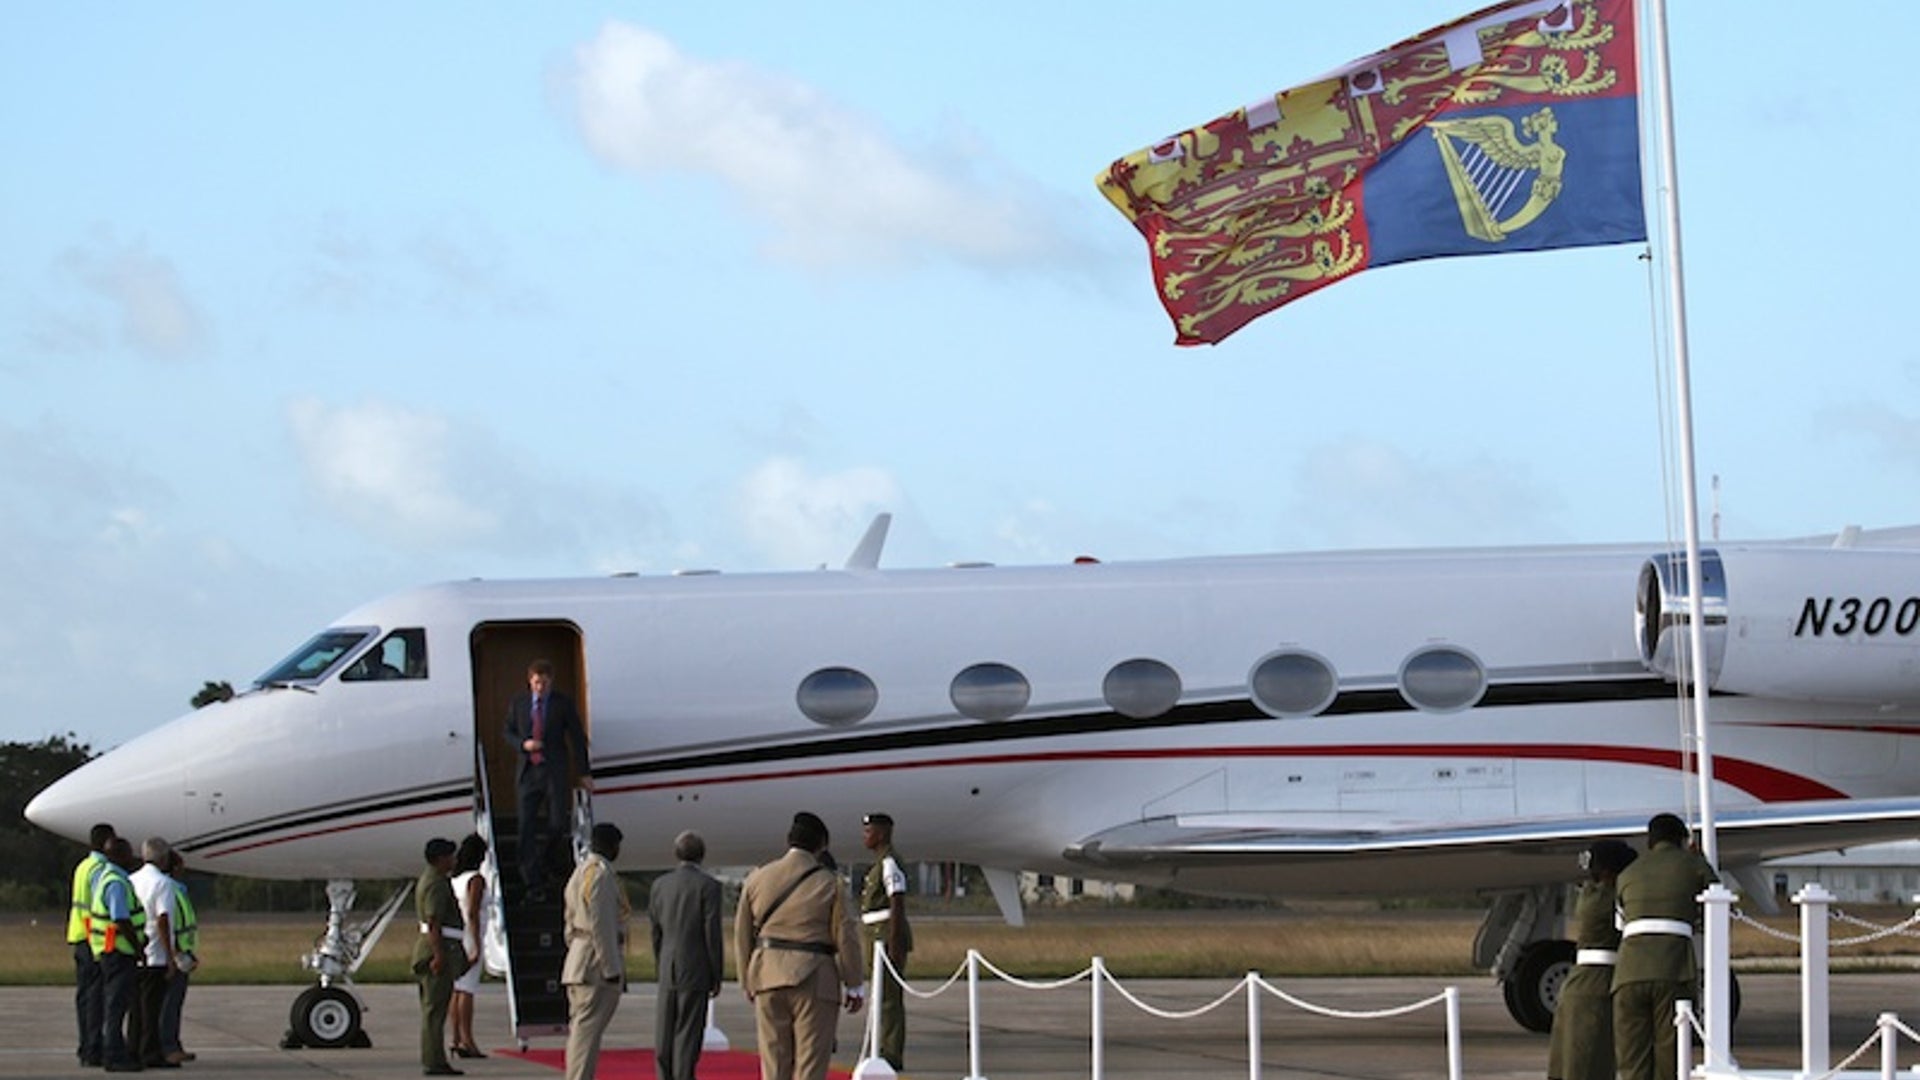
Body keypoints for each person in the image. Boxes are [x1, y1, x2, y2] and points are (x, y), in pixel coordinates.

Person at [735, 811, 865, 1080]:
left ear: (788, 840)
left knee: (774, 1064)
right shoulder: (830, 883)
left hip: (767, 975)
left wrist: (747, 979)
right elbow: (846, 935)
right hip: (815, 979)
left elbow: (742, 934)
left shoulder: (758, 878)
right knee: (810, 1065)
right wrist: (854, 983)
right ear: (821, 845)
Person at [1612, 813, 1718, 1080]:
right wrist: (1700, 859)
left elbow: (1620, 923)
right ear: (1682, 840)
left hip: (1629, 973)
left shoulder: (1627, 873)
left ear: (1650, 841)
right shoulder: (1692, 865)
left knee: (1631, 1058)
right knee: (1670, 1056)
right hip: (1673, 969)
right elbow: (1716, 898)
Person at [1548, 839, 1637, 1080]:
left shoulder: (1591, 894)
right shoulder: (1608, 899)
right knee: (1589, 1064)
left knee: (1574, 1064)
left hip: (1582, 983)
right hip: (1595, 986)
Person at [506, 659, 592, 895]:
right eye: (536, 683)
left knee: (557, 823)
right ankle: (530, 877)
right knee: (526, 826)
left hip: (553, 771)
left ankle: (546, 861)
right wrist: (523, 745)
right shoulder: (519, 703)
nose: (540, 687)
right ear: (529, 681)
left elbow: (576, 737)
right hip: (528, 772)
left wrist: (583, 772)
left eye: (544, 683)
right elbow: (508, 731)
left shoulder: (562, 704)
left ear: (550, 681)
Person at [648, 830, 723, 1080]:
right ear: (701, 855)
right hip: (695, 968)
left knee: (664, 1033)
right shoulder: (709, 886)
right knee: (687, 1035)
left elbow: (655, 931)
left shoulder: (659, 886)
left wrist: (661, 963)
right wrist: (716, 973)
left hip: (668, 966)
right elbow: (711, 933)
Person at [563, 822, 628, 1080]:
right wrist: (611, 966)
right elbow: (602, 924)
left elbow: (569, 919)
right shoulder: (600, 874)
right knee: (586, 1034)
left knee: (581, 1031)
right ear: (611, 846)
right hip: (594, 966)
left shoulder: (580, 872)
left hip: (579, 958)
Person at [859, 812, 913, 1071]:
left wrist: (895, 941)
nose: (865, 837)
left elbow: (897, 900)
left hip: (885, 934)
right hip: (876, 934)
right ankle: (882, 1046)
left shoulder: (889, 862)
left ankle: (891, 1052)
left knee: (889, 998)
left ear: (880, 834)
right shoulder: (879, 862)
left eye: (869, 832)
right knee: (881, 996)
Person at [90, 836, 147, 1073]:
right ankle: (114, 1055)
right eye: (127, 852)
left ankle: (114, 1051)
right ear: (119, 856)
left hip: (110, 950)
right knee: (116, 1005)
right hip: (118, 952)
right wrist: (137, 947)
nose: (131, 857)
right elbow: (121, 917)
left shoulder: (105, 876)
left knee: (114, 1004)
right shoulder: (116, 882)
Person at [412, 837, 466, 1077]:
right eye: (450, 856)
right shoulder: (436, 883)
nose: (453, 861)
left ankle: (434, 1058)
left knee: (432, 1010)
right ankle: (434, 1061)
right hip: (436, 949)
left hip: (433, 947)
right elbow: (433, 922)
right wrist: (439, 955)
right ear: (440, 859)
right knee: (434, 1011)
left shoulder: (431, 879)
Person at [129, 836, 181, 1069]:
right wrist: (171, 958)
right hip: (156, 953)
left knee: (136, 1008)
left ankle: (134, 1049)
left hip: (135, 951)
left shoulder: (131, 880)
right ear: (164, 858)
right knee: (152, 1009)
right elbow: (163, 920)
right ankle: (151, 1053)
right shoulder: (163, 884)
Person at [70, 822, 115, 1068]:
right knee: (96, 998)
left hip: (79, 935)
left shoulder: (83, 866)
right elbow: (102, 906)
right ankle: (93, 1048)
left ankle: (86, 1045)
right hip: (94, 939)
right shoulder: (100, 869)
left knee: (85, 997)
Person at [449, 834, 490, 1060]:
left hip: (457, 936)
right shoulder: (476, 879)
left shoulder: (455, 879)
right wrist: (475, 944)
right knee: (467, 990)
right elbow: (473, 912)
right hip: (470, 936)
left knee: (456, 990)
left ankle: (456, 1038)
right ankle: (467, 1040)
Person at [159, 850, 197, 1066]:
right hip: (176, 953)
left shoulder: (173, 888)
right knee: (170, 1003)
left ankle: (171, 1044)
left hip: (181, 952)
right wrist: (176, 955)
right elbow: (168, 923)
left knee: (171, 1003)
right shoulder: (171, 889)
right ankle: (169, 1046)